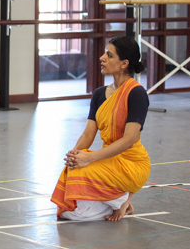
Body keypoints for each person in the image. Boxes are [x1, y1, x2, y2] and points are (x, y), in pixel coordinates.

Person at [51, 36, 151, 221]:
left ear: (124, 64)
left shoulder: (136, 93)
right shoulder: (99, 94)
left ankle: (122, 198)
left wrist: (90, 157)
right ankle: (117, 201)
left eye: (109, 55)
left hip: (131, 164)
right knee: (69, 211)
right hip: (107, 159)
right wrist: (75, 155)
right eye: (105, 53)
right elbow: (88, 134)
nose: (102, 57)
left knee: (77, 202)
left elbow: (129, 140)